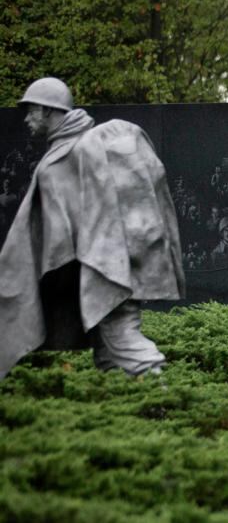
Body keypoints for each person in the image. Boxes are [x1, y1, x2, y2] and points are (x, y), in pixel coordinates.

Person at [0, 77, 184, 379]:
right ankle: (122, 404)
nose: (27, 118)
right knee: (108, 351)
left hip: (106, 272)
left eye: (32, 110)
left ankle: (162, 402)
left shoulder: (72, 153)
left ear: (49, 111)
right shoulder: (77, 149)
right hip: (104, 269)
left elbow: (69, 226)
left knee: (125, 341)